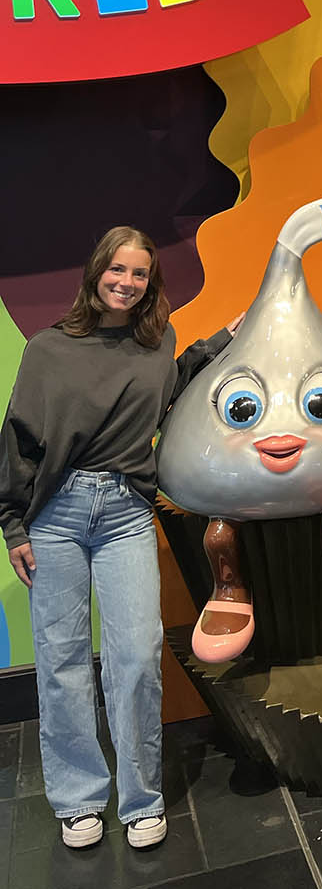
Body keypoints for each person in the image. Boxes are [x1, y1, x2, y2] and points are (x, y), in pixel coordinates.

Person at [0, 226, 238, 850]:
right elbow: (21, 439)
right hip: (54, 513)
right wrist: (11, 523)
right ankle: (78, 800)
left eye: (140, 274)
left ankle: (140, 800)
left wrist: (228, 340)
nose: (127, 283)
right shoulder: (49, 349)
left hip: (125, 512)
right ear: (96, 272)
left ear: (149, 283)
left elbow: (172, 389)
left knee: (135, 656)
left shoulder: (157, 346)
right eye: (118, 271)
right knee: (62, 662)